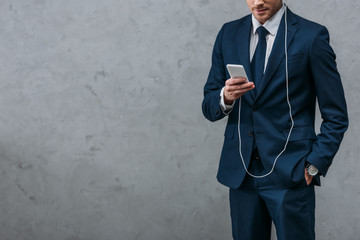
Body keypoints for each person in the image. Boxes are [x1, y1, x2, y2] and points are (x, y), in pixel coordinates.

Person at [201, 0, 348, 239]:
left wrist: (314, 164)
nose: (258, 2)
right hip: (241, 173)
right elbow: (209, 107)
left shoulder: (311, 36)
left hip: (291, 172)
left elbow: (336, 115)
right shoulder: (229, 33)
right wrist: (225, 97)